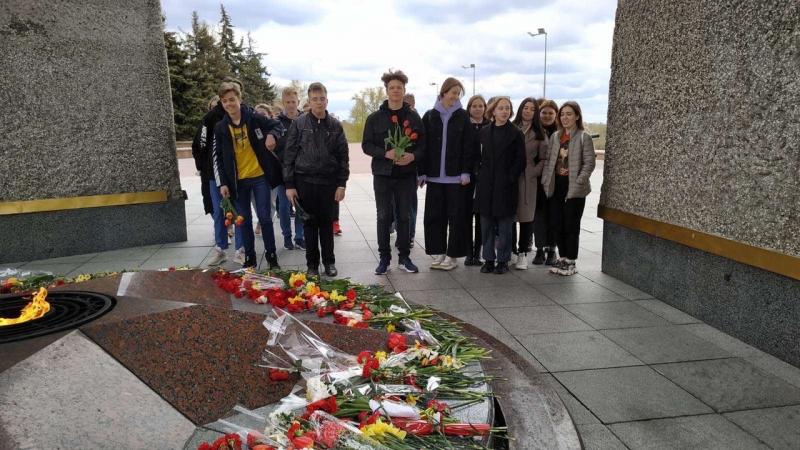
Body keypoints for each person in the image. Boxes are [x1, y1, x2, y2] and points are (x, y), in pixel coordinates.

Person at [212, 81, 284, 269]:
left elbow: (277, 125)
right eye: (225, 101)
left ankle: (272, 257)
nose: (229, 104)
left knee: (265, 218)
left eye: (232, 99)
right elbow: (219, 158)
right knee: (243, 221)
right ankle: (250, 258)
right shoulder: (221, 127)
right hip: (238, 182)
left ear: (239, 98)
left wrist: (272, 135)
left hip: (259, 177)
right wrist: (223, 183)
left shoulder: (254, 118)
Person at [362, 70, 425, 275]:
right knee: (383, 216)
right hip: (383, 174)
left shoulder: (414, 117)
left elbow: (423, 146)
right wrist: (385, 153)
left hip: (406, 175)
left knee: (404, 216)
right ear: (387, 90)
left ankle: (404, 258)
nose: (396, 90)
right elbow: (366, 145)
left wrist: (412, 156)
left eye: (399, 87)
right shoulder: (374, 118)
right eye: (392, 87)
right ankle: (384, 258)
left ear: (404, 90)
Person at [284, 82, 350, 277]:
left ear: (327, 100)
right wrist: (289, 185)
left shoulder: (335, 125)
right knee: (309, 224)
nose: (319, 102)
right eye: (315, 99)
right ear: (309, 101)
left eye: (322, 99)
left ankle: (329, 262)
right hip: (304, 182)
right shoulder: (299, 124)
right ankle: (312, 265)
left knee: (327, 224)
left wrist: (341, 184)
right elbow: (289, 156)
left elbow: (343, 157)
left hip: (329, 183)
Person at [419, 78, 474, 270]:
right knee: (435, 217)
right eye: (453, 92)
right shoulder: (429, 115)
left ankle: (453, 256)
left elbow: (468, 146)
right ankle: (438, 252)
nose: (455, 96)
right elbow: (423, 146)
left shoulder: (463, 116)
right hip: (434, 177)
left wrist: (466, 171)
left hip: (456, 178)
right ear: (443, 93)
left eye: (458, 93)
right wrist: (422, 172)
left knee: (456, 218)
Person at [541, 101, 595, 276]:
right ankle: (562, 257)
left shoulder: (583, 137)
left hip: (575, 187)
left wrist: (579, 181)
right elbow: (549, 161)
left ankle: (571, 261)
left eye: (569, 114)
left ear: (577, 116)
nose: (565, 117)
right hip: (556, 184)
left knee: (571, 225)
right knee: (557, 223)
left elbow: (589, 163)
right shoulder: (556, 136)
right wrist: (546, 180)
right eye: (562, 114)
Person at [474, 97, 525, 274]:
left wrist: (510, 177)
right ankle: (488, 259)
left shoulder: (516, 133)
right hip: (486, 185)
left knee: (505, 226)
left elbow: (521, 160)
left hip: (506, 186)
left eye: (507, 108)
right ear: (493, 111)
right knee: (486, 224)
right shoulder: (484, 132)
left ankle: (503, 260)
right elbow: (477, 156)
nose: (505, 111)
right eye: (501, 108)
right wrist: (479, 173)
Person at [510, 98, 548, 270]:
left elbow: (545, 158)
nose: (528, 111)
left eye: (532, 109)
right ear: (520, 109)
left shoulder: (540, 133)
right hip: (510, 176)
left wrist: (534, 171)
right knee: (509, 216)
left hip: (528, 179)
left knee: (526, 217)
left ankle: (523, 253)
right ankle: (510, 250)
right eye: (526, 107)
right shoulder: (511, 127)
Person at [275, 87, 306, 250]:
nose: (291, 105)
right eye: (287, 102)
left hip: (301, 171)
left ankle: (299, 237)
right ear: (283, 103)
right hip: (283, 172)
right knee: (284, 207)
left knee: (300, 205)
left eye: (293, 102)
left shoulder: (305, 120)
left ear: (298, 102)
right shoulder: (276, 123)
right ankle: (287, 236)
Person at [464, 94, 489, 266]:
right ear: (469, 108)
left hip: (484, 178)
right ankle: (468, 252)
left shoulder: (490, 126)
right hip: (466, 177)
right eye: (474, 106)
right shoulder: (464, 125)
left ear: (485, 108)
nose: (478, 108)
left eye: (481, 106)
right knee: (467, 216)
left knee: (481, 217)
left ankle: (478, 252)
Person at [533, 99, 559, 265]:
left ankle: (552, 250)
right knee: (539, 217)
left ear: (556, 115)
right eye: (544, 112)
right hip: (537, 181)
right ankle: (539, 249)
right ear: (539, 114)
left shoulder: (561, 133)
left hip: (556, 181)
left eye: (551, 113)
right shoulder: (534, 131)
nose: (547, 116)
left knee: (554, 216)